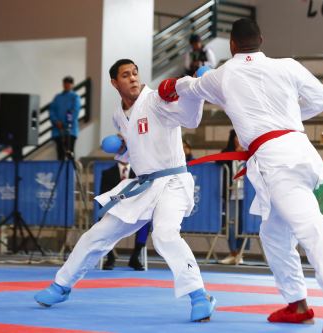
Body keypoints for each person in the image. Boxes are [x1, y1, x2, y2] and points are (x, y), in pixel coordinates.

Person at [160, 18, 323, 333]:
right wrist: (288, 118)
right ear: (262, 39)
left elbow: (191, 86)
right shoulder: (288, 66)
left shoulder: (224, 74)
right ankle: (297, 303)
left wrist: (171, 85)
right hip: (297, 147)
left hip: (276, 159)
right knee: (274, 233)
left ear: (231, 44)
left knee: (309, 222)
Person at [34, 59, 216, 322]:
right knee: (96, 234)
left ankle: (199, 296)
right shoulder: (119, 115)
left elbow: (190, 118)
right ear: (114, 83)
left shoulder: (156, 99)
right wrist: (121, 148)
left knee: (165, 234)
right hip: (142, 185)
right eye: (125, 75)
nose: (132, 78)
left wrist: (198, 90)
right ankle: (61, 286)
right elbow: (135, 151)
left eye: (135, 73)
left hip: (172, 181)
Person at [99, 161, 151, 271]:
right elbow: (104, 197)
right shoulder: (107, 173)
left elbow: (144, 196)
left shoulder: (140, 173)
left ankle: (134, 258)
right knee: (103, 222)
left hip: (134, 211)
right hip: (114, 211)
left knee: (146, 222)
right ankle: (110, 258)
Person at [218, 129, 249, 265]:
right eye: (236, 136)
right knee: (230, 224)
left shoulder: (251, 152)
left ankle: (240, 254)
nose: (238, 138)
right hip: (231, 193)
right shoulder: (227, 151)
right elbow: (218, 161)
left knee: (243, 225)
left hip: (247, 195)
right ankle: (233, 252)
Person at [49, 76, 81, 160]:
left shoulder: (75, 97)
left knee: (70, 153)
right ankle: (62, 173)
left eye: (69, 83)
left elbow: (75, 111)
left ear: (72, 85)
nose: (67, 85)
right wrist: (56, 121)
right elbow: (52, 110)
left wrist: (65, 123)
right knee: (60, 154)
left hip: (70, 130)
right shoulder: (57, 97)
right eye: (65, 83)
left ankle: (71, 172)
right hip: (58, 130)